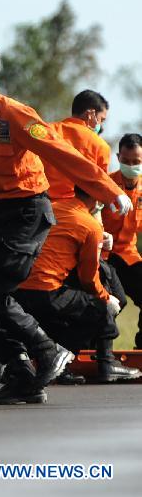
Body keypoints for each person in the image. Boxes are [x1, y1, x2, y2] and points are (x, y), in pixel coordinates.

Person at [0, 41, 133, 405]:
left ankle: (47, 349)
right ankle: (22, 374)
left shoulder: (15, 115)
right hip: (1, 214)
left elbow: (60, 152)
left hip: (29, 213)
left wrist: (108, 190)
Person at [13, 186, 140, 382]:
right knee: (100, 309)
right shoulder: (90, 224)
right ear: (97, 199)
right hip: (46, 290)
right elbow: (89, 278)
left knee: (71, 308)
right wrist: (107, 300)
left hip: (20, 289)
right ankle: (104, 362)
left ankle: (58, 366)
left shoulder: (54, 208)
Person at [102, 134, 142, 347]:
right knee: (108, 303)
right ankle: (96, 351)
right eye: (126, 161)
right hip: (103, 256)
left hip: (128, 255)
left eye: (136, 162)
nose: (131, 166)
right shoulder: (105, 184)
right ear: (118, 157)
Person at [46, 90, 111, 203]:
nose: (101, 127)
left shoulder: (47, 130)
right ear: (89, 114)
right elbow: (101, 186)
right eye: (101, 120)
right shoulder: (100, 145)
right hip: (74, 210)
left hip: (39, 205)